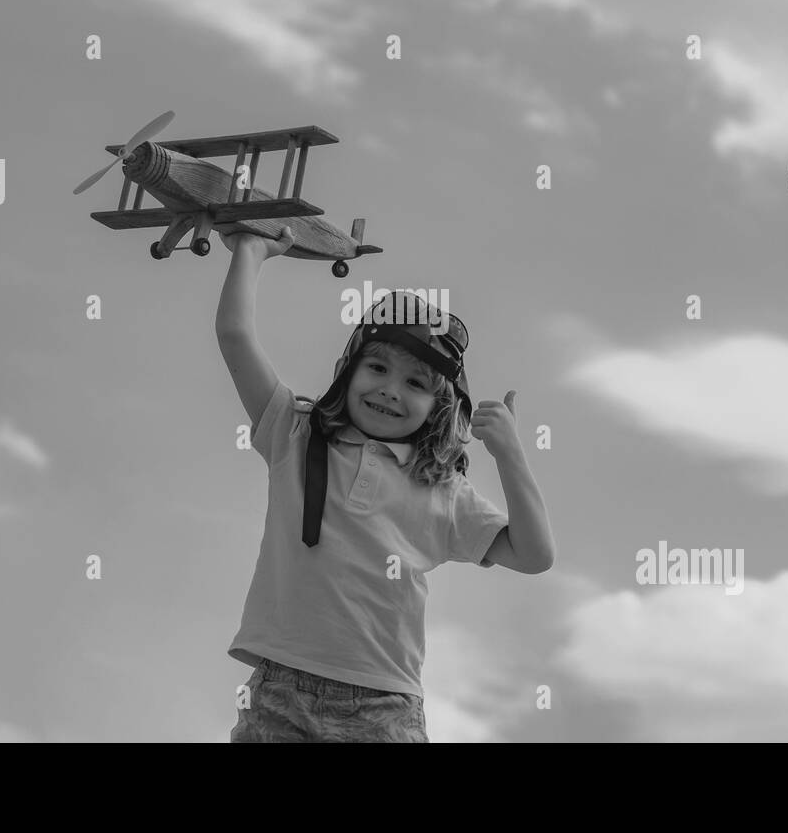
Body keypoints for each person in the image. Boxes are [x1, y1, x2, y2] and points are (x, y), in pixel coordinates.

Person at [216, 226, 555, 742]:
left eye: (415, 383)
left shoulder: (440, 488)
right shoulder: (295, 434)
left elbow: (534, 555)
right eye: (376, 367)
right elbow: (235, 336)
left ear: (437, 407)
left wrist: (510, 454)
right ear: (348, 372)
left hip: (381, 709)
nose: (390, 390)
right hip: (278, 694)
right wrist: (251, 252)